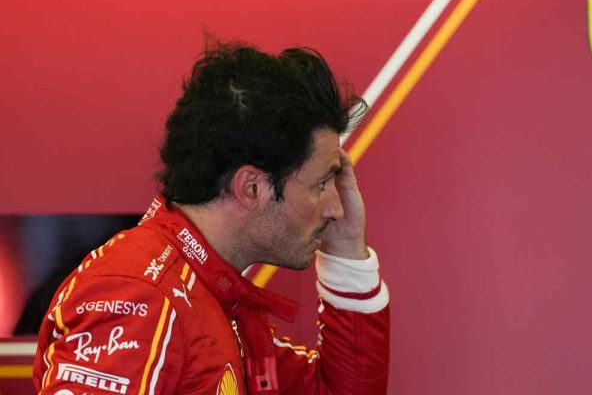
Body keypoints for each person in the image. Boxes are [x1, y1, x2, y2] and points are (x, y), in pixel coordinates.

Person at [32, 40, 390, 394]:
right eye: (321, 183)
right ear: (252, 188)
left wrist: (346, 248)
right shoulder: (140, 296)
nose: (335, 208)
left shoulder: (211, 298)